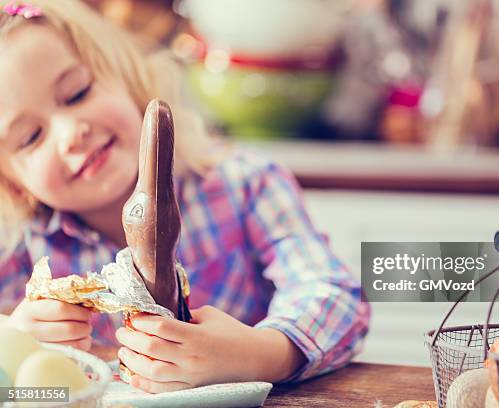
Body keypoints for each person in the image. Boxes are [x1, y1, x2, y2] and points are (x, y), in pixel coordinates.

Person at [0, 0, 370, 393]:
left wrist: (263, 353)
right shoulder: (20, 244)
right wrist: (14, 341)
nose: (71, 133)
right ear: (11, 181)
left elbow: (333, 293)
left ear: (127, 76)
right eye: (31, 137)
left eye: (77, 94)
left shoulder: (247, 185)